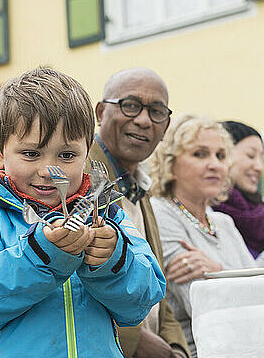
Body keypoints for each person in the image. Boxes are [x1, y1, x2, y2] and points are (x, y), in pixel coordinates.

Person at [0, 68, 167, 358]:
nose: (49, 171)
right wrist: (40, 255)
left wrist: (112, 260)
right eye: (31, 153)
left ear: (87, 151)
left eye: (67, 155)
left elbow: (140, 304)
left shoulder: (106, 214)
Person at [92, 67, 191, 358]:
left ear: (166, 125)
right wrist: (137, 342)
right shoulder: (81, 178)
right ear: (100, 113)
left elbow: (160, 293)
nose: (144, 120)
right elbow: (70, 284)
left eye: (156, 111)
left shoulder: (139, 186)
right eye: (130, 105)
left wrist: (176, 349)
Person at [148, 114, 263, 357]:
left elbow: (262, 291)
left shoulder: (223, 222)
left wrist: (217, 271)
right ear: (171, 163)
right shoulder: (160, 214)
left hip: (248, 345)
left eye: (221, 156)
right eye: (200, 154)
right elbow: (206, 307)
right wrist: (242, 279)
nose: (215, 164)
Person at [213, 121, 264, 265]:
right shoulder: (208, 213)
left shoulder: (262, 213)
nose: (259, 167)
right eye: (251, 156)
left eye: (261, 158)